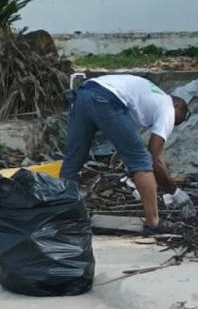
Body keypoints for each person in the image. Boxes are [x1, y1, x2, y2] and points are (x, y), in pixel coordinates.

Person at [60, 74, 190, 234]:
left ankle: (62, 218)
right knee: (142, 160)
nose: (175, 124)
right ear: (177, 104)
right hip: (106, 99)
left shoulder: (151, 97)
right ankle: (154, 223)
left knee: (73, 160)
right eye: (180, 118)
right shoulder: (168, 108)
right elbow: (154, 158)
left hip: (83, 94)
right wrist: (174, 192)